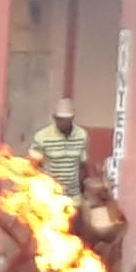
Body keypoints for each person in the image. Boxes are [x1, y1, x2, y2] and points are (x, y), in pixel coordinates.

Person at [27, 98, 92, 232]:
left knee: (73, 235)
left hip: (73, 197)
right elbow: (33, 167)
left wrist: (85, 190)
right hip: (50, 198)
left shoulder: (81, 135)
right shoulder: (42, 137)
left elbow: (82, 165)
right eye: (61, 120)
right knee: (50, 235)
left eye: (68, 120)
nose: (65, 123)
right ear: (55, 119)